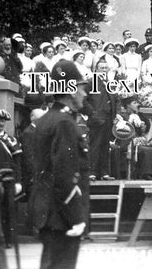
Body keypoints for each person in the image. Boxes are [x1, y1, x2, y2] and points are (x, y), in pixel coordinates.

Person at [31, 60, 89, 269]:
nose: (85, 94)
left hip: (49, 213)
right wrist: (76, 217)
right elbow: (65, 175)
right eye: (82, 88)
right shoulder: (65, 123)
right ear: (72, 91)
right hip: (62, 217)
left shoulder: (47, 119)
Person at [82, 59, 119, 181]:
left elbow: (115, 100)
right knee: (95, 145)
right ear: (96, 70)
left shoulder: (110, 83)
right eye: (101, 68)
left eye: (105, 68)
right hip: (96, 119)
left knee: (105, 146)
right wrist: (92, 113)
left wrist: (114, 115)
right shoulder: (91, 82)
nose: (103, 70)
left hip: (108, 119)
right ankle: (92, 172)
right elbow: (83, 99)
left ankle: (104, 173)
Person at [0, 109, 23, 247]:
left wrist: (18, 182)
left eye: (2, 121)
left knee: (8, 211)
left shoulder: (11, 140)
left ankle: (8, 241)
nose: (0, 123)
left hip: (9, 181)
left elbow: (18, 163)